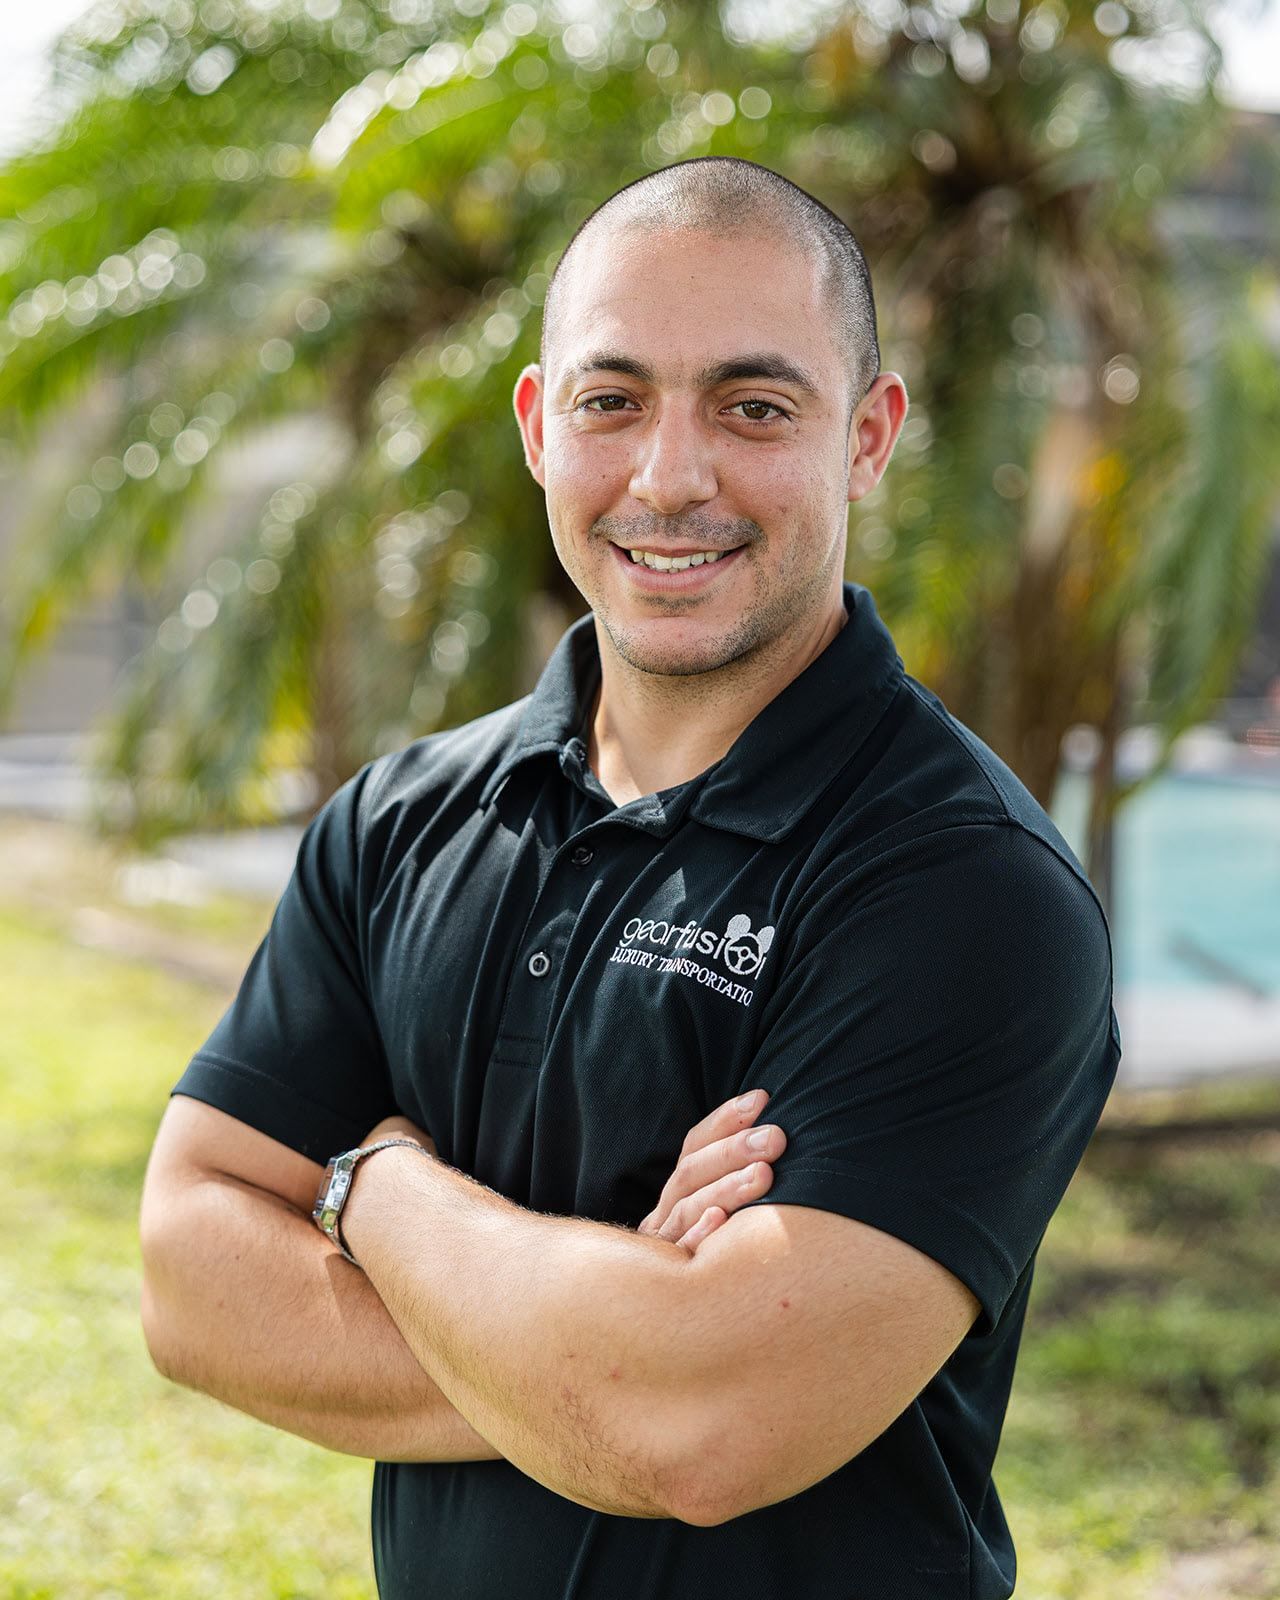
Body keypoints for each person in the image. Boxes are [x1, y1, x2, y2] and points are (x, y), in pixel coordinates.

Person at [140, 156, 1120, 1599]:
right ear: (541, 428)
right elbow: (185, 1279)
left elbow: (705, 1426)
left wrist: (375, 1184)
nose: (671, 477)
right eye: (613, 401)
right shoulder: (401, 822)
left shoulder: (965, 890)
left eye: (754, 406)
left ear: (867, 436)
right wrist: (608, 1335)